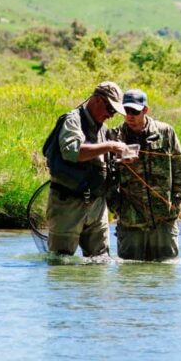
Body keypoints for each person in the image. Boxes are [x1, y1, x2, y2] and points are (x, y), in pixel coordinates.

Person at [44, 81, 130, 257]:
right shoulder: (72, 120)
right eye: (110, 109)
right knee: (61, 262)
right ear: (98, 100)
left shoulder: (103, 129)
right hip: (68, 204)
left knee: (100, 261)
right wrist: (110, 145)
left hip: (97, 206)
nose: (111, 115)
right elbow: (72, 151)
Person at [107, 88, 181, 261]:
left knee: (165, 272)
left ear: (145, 110)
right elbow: (106, 177)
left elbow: (180, 175)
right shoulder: (114, 136)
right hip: (130, 222)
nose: (130, 116)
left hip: (163, 221)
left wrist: (174, 205)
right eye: (126, 111)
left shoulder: (165, 132)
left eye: (134, 111)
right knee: (130, 273)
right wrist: (118, 208)